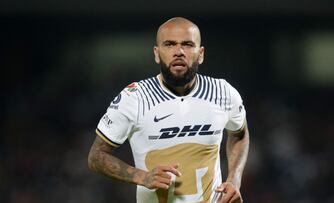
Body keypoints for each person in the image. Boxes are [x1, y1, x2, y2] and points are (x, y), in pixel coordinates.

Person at [88, 17, 250, 203]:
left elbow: (239, 134)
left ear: (201, 53)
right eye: (169, 44)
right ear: (157, 53)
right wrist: (141, 176)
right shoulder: (134, 98)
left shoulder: (223, 92)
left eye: (188, 44)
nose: (179, 52)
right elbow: (96, 156)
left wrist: (234, 179)